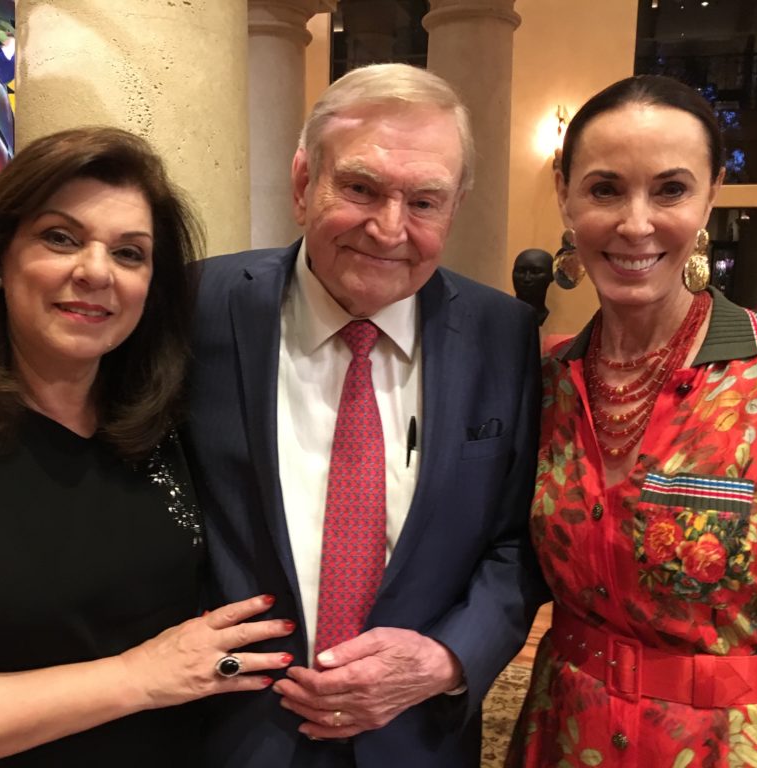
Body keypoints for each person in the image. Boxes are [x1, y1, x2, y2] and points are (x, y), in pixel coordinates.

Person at [0, 127, 294, 767]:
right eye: (61, 238)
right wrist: (135, 679)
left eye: (130, 253)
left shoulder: (158, 419)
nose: (96, 272)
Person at [183, 63, 545, 767]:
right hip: (231, 734)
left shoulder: (503, 336)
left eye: (425, 202)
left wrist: (449, 657)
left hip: (418, 738)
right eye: (359, 188)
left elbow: (517, 541)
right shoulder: (197, 306)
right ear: (303, 183)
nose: (388, 228)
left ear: (455, 208)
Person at [505, 75, 757, 766]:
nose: (635, 224)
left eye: (670, 189)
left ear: (711, 195)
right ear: (565, 193)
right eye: (605, 189)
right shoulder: (545, 381)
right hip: (562, 737)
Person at [511, 248, 552, 326]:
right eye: (520, 271)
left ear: (551, 276)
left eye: (536, 272)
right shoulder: (498, 316)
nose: (527, 278)